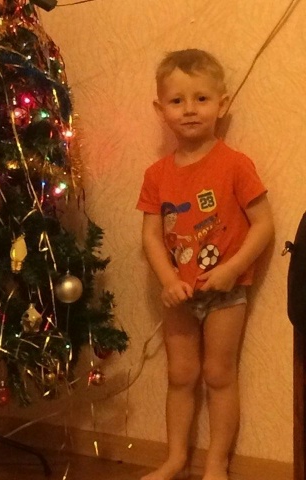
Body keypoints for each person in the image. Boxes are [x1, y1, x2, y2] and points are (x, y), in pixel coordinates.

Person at [136, 49, 274, 480]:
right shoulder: (157, 174)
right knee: (180, 375)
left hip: (225, 292)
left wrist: (232, 269)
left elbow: (264, 225)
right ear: (160, 109)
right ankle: (176, 459)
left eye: (201, 98)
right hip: (177, 293)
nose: (190, 109)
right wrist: (167, 280)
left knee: (218, 375)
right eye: (177, 101)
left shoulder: (235, 164)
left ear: (222, 104)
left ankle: (217, 463)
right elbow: (151, 236)